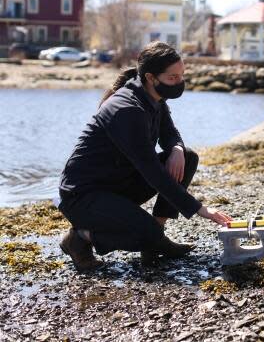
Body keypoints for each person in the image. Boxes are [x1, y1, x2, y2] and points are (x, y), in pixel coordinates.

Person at [57, 41, 232, 272]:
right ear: (151, 77)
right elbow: (153, 173)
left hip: (118, 183)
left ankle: (155, 238)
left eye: (182, 76)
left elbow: (170, 133)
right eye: (173, 78)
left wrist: (176, 149)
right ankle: (80, 238)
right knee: (145, 233)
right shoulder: (127, 109)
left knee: (187, 157)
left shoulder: (154, 97)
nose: (179, 83)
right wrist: (201, 210)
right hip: (84, 195)